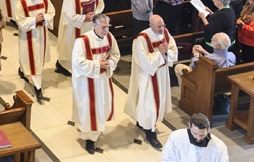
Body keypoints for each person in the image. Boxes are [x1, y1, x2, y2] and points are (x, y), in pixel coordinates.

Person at [125, 15, 177, 149]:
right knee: (149, 103)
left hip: (161, 74)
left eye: (163, 25)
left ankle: (143, 122)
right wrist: (160, 53)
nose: (162, 28)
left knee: (156, 102)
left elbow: (173, 50)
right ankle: (150, 132)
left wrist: (166, 53)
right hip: (148, 76)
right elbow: (143, 61)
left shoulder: (165, 33)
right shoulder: (141, 39)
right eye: (159, 26)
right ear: (150, 25)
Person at [72, 14, 121, 155]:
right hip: (87, 82)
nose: (106, 31)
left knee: (101, 106)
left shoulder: (110, 38)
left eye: (107, 27)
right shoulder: (83, 41)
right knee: (88, 108)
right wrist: (97, 65)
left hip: (103, 80)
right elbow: (77, 62)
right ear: (94, 25)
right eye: (103, 27)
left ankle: (95, 133)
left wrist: (110, 63)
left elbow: (116, 54)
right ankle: (89, 139)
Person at [13, 0, 55, 102]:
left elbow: (51, 12)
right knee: (32, 59)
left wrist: (44, 18)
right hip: (28, 36)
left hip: (41, 34)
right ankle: (38, 87)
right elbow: (19, 20)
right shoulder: (21, 2)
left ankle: (23, 71)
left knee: (37, 59)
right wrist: (33, 20)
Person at [56, 0, 104, 76]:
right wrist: (83, 18)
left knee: (85, 47)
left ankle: (83, 64)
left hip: (89, 26)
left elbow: (100, 5)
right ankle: (63, 66)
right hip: (74, 27)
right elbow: (68, 13)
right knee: (71, 47)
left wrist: (95, 14)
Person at [161, 112, 229, 162]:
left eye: (202, 135)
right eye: (195, 133)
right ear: (189, 125)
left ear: (208, 129)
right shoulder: (176, 138)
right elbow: (167, 159)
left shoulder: (219, 147)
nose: (198, 138)